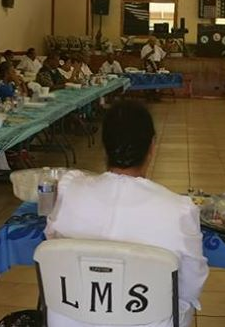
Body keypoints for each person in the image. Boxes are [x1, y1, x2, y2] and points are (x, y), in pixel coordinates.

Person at [46, 101, 208, 327]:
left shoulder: (69, 189)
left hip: (70, 321)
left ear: (105, 146)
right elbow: (191, 285)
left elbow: (52, 247)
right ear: (152, 146)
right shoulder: (179, 210)